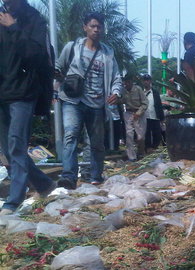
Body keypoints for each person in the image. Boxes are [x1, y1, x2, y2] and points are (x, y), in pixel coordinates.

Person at [0, 0, 56, 215]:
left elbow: (36, 54)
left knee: (16, 145)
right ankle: (44, 184)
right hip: (2, 92)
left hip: (23, 92)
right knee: (8, 150)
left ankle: (13, 200)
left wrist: (13, 27)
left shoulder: (34, 19)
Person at [55, 12, 123, 188]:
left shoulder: (107, 54)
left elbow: (116, 77)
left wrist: (116, 92)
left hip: (97, 103)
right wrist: (58, 84)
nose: (96, 29)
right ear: (85, 27)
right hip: (72, 100)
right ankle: (69, 176)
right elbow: (58, 67)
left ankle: (95, 176)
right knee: (70, 134)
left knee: (97, 142)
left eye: (99, 26)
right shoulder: (72, 48)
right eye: (92, 26)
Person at [120, 74, 148, 161]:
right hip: (128, 113)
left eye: (127, 82)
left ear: (131, 82)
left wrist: (138, 113)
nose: (126, 84)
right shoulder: (123, 90)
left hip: (139, 113)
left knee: (140, 137)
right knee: (129, 135)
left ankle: (141, 153)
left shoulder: (138, 89)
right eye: (125, 82)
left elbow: (145, 103)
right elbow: (123, 100)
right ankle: (131, 157)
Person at [142, 74, 164, 151]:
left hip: (154, 115)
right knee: (146, 133)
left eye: (147, 80)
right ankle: (147, 147)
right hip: (145, 116)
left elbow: (159, 105)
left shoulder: (155, 92)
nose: (146, 82)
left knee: (157, 133)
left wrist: (161, 118)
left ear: (150, 81)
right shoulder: (141, 92)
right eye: (144, 80)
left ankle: (155, 147)